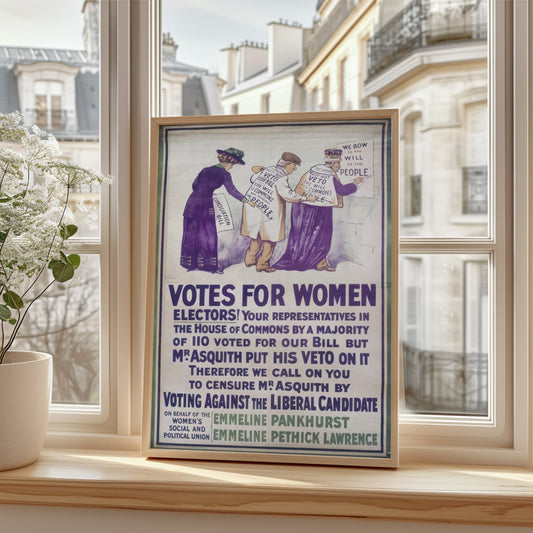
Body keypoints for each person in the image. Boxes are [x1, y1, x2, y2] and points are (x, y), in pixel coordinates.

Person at [274, 148, 361, 272]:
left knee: (302, 236)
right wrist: (355, 183)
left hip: (302, 208)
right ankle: (318, 262)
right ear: (333, 164)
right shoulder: (330, 176)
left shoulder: (312, 170)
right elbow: (342, 190)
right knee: (322, 237)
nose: (340, 166)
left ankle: (310, 260)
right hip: (319, 209)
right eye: (338, 163)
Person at [180, 147, 251, 273]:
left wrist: (205, 190)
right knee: (208, 235)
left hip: (191, 203)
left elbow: (194, 185)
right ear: (231, 162)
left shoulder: (206, 169)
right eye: (233, 165)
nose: (232, 167)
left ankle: (190, 264)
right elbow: (232, 191)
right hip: (205, 205)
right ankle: (207, 266)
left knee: (191, 233)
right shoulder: (224, 174)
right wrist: (246, 200)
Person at [241, 152, 314, 272]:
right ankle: (263, 265)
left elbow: (253, 178)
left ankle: (249, 259)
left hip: (253, 207)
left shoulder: (268, 170)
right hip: (269, 210)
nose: (295, 168)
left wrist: (261, 171)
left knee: (256, 235)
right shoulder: (282, 177)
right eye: (294, 165)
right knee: (269, 238)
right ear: (287, 164)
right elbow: (288, 195)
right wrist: (306, 198)